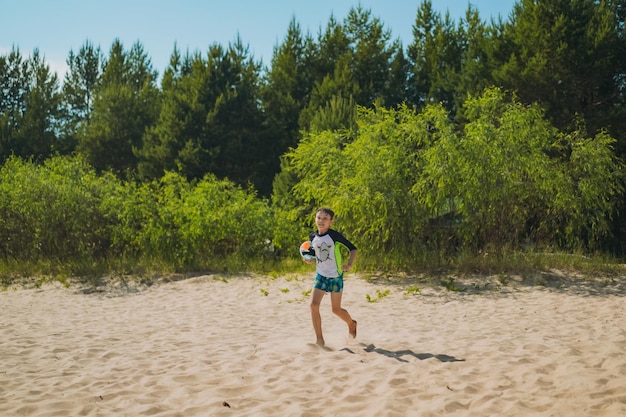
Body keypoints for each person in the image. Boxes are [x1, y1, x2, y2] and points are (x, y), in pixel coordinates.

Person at [303, 207, 358, 347]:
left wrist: (349, 264)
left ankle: (351, 324)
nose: (321, 221)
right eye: (318, 218)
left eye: (325, 218)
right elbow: (317, 255)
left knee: (336, 309)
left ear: (331, 222)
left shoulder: (335, 236)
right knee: (313, 305)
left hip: (335, 276)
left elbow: (353, 249)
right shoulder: (312, 237)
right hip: (321, 275)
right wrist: (310, 259)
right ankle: (320, 340)